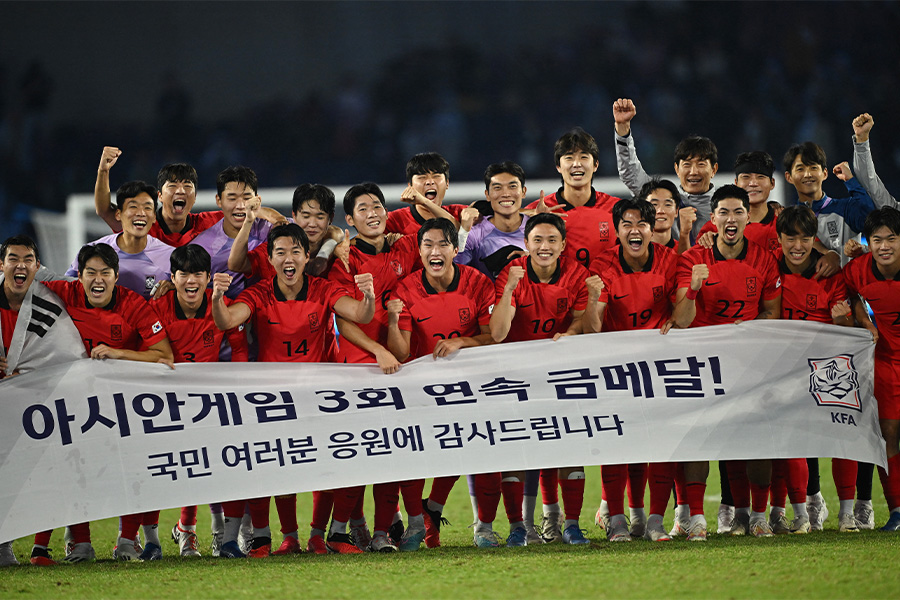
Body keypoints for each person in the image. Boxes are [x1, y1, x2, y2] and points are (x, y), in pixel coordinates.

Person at [211, 223, 376, 558]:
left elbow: (359, 313)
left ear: (306, 256)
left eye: (296, 251)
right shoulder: (258, 293)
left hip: (320, 393)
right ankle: (282, 537)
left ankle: (326, 535)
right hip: (273, 398)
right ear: (270, 259)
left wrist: (369, 297)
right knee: (274, 464)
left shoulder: (322, 288)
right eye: (281, 252)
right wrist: (216, 298)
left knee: (340, 459)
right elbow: (227, 320)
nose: (289, 258)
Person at [46, 243, 175, 561]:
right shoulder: (64, 292)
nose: (98, 279)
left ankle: (128, 541)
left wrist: (118, 353)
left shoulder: (134, 305)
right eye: (90, 272)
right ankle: (81, 544)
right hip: (75, 401)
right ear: (79, 276)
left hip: (123, 402)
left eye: (105, 272)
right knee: (74, 467)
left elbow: (165, 357)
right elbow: (19, 279)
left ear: (116, 276)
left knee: (131, 468)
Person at [672, 185, 782, 541]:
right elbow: (682, 320)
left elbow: (771, 314)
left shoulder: (764, 260)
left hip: (748, 361)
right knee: (698, 438)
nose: (731, 219)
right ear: (713, 218)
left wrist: (749, 329)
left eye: (738, 212)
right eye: (724, 212)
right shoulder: (692, 260)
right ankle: (698, 520)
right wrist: (693, 288)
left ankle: (759, 517)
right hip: (701, 364)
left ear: (748, 217)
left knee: (756, 437)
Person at [324, 183, 422, 553]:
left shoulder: (404, 246)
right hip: (360, 366)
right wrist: (378, 350)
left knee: (394, 452)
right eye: (362, 209)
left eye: (377, 206)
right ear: (350, 220)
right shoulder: (344, 261)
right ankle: (340, 532)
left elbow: (447, 235)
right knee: (359, 453)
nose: (373, 213)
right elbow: (344, 319)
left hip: (399, 364)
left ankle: (381, 532)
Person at [386, 219, 496, 549]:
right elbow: (401, 351)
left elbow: (494, 337)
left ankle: (482, 527)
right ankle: (418, 523)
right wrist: (392, 317)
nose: (436, 251)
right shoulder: (404, 289)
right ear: (419, 252)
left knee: (476, 449)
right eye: (429, 245)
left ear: (456, 249)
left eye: (443, 244)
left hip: (470, 384)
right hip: (421, 387)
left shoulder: (477, 282)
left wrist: (463, 341)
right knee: (415, 451)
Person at [491, 213, 591, 546]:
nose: (544, 247)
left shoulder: (577, 274)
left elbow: (583, 324)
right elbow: (498, 331)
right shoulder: (513, 273)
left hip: (559, 374)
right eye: (537, 240)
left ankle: (571, 525)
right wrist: (507, 290)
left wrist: (570, 333)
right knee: (515, 447)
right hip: (515, 376)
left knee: (567, 445)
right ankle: (519, 526)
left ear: (563, 245)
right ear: (526, 243)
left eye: (551, 240)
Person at [584, 199, 678, 542]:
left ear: (652, 229)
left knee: (661, 440)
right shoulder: (603, 264)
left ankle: (655, 521)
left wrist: (683, 305)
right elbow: (593, 327)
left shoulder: (670, 260)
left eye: (641, 223)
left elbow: (683, 316)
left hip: (659, 365)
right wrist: (594, 299)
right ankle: (618, 520)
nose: (634, 230)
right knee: (617, 440)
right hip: (614, 366)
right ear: (617, 230)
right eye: (627, 223)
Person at [149, 244, 249, 558]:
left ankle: (227, 538)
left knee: (226, 461)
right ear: (172, 277)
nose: (191, 280)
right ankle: (177, 533)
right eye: (183, 274)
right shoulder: (156, 308)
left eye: (197, 274)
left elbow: (240, 349)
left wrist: (239, 387)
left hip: (209, 398)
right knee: (177, 465)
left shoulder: (224, 305)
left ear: (208, 277)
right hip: (166, 400)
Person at [0, 235, 87, 566]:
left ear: (38, 266)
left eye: (28, 260)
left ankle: (32, 545)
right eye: (13, 258)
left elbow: (65, 350)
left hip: (36, 402)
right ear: (1, 264)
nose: (20, 265)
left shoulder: (50, 299)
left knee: (49, 465)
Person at [773, 205, 857, 533]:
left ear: (814, 239)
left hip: (828, 369)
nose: (797, 245)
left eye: (805, 238)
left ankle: (848, 512)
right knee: (793, 440)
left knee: (841, 437)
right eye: (790, 237)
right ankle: (801, 514)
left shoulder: (829, 275)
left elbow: (847, 325)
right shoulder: (770, 269)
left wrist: (843, 320)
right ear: (778, 239)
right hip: (786, 369)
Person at [842, 206, 900, 532]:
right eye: (876, 240)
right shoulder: (858, 270)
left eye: (891, 238)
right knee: (888, 435)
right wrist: (864, 321)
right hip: (887, 364)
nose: (884, 246)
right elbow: (849, 295)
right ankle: (897, 510)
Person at [94, 148, 284, 247]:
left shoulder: (209, 222)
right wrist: (103, 170)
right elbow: (104, 210)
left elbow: (245, 209)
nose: (180, 191)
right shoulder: (143, 224)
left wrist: (275, 217)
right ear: (160, 195)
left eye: (187, 186)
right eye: (173, 185)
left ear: (194, 198)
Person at [613, 98, 718, 242]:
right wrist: (623, 129)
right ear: (677, 169)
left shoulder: (724, 208)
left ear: (714, 169)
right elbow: (630, 173)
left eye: (701, 164)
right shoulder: (664, 199)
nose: (693, 172)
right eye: (687, 165)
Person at [523, 128, 620, 270]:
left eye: (584, 157)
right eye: (569, 158)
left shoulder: (616, 209)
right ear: (558, 167)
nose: (576, 164)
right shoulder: (534, 212)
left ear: (595, 165)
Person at [67, 180, 175, 299]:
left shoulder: (170, 256)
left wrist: (175, 289)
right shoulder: (92, 252)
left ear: (154, 217)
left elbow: (192, 291)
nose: (141, 213)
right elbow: (67, 289)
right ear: (118, 214)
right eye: (133, 207)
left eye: (147, 207)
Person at [192, 166, 287, 299]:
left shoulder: (273, 227)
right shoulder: (203, 247)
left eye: (247, 198)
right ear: (218, 200)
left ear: (257, 200)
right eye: (232, 198)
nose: (241, 206)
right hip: (228, 315)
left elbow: (321, 230)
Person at [783, 142, 874, 267]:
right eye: (800, 169)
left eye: (813, 168)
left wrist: (850, 180)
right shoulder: (787, 219)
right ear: (789, 177)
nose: (808, 174)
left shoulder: (845, 209)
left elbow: (870, 215)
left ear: (824, 173)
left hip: (846, 285)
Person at [227, 183, 344, 281]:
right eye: (306, 216)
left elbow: (336, 232)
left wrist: (325, 253)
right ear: (294, 216)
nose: (312, 224)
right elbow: (235, 264)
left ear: (331, 219)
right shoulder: (277, 248)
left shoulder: (339, 253)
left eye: (320, 217)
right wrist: (248, 221)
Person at [455, 161, 529, 279]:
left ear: (523, 192)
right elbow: (455, 272)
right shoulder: (473, 234)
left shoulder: (538, 229)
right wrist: (463, 232)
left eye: (512, 186)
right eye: (498, 188)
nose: (505, 194)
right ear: (487, 195)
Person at [385, 152, 463, 235]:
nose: (430, 182)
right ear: (410, 185)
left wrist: (425, 202)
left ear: (447, 183)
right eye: (422, 177)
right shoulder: (394, 221)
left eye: (436, 176)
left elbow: (464, 239)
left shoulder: (461, 213)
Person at [636, 178, 691, 253]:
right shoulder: (629, 252)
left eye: (667, 205)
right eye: (654, 204)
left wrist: (684, 234)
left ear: (676, 211)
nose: (660, 211)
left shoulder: (686, 249)